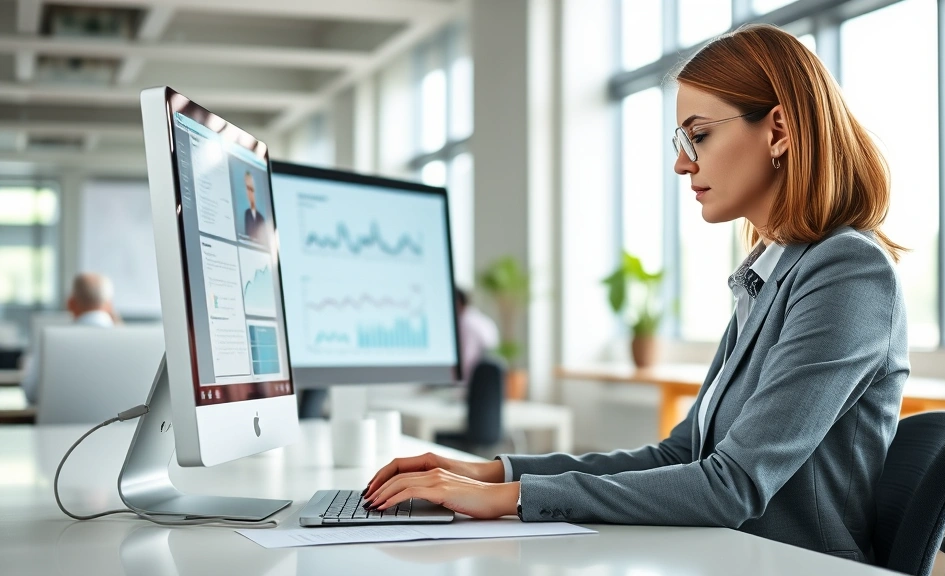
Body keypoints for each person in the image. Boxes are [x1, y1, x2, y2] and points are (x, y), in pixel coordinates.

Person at [360, 24, 909, 565]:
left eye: (699, 135)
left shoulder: (848, 272)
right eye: (681, 141)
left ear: (780, 130)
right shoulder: (768, 277)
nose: (681, 162)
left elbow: (732, 485)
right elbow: (681, 454)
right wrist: (495, 472)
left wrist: (509, 500)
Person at [21, 273, 118, 405]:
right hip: (121, 425)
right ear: (109, 305)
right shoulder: (131, 342)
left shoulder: (51, 342)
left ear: (70, 303)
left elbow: (31, 394)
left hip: (59, 425)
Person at [455, 288, 499, 386]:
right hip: (488, 377)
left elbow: (467, 355)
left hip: (473, 379)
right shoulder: (478, 318)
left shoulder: (466, 322)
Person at [241, 171, 266, 242]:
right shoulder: (247, 213)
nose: (249, 193)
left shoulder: (261, 218)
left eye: (251, 189)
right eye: (247, 189)